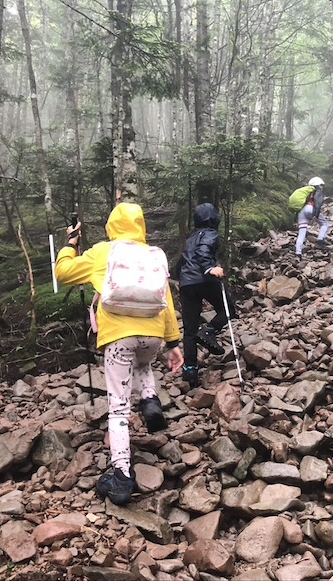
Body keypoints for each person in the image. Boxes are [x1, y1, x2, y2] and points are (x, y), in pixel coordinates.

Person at [55, 202, 183, 505]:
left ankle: (122, 475)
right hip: (151, 333)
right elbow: (166, 299)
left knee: (118, 409)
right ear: (141, 225)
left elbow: (63, 272)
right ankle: (150, 399)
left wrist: (69, 245)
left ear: (112, 226)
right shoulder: (155, 255)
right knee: (143, 361)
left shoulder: (103, 252)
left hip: (117, 337)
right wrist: (174, 342)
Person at [176, 202, 237, 389]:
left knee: (190, 329)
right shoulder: (210, 234)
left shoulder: (190, 238)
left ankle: (190, 370)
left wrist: (178, 276)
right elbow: (203, 252)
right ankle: (210, 330)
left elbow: (181, 262)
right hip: (205, 278)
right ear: (213, 217)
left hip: (187, 283)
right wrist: (210, 268)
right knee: (228, 310)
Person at [295, 176, 329, 259]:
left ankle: (298, 252)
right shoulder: (317, 190)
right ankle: (320, 241)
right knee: (324, 224)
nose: (322, 187)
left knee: (302, 232)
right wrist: (316, 214)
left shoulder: (306, 192)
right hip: (310, 208)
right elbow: (318, 202)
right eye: (321, 185)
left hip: (302, 211)